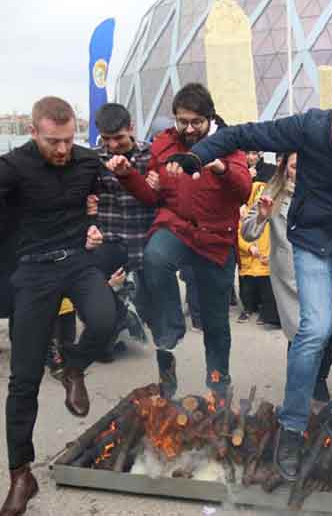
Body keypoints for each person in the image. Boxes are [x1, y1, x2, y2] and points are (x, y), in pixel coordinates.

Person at [186, 96, 332, 480]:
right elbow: (244, 133)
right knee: (313, 330)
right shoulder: (310, 127)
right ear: (329, 127)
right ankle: (292, 428)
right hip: (313, 243)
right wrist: (198, 156)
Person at [0, 96, 117, 516]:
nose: (63, 149)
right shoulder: (10, 168)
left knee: (106, 320)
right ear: (34, 132)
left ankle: (72, 367)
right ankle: (21, 475)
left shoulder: (87, 162)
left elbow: (116, 200)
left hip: (76, 262)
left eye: (69, 139)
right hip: (31, 273)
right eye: (54, 141)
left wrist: (99, 225)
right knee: (23, 380)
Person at [104, 83, 252, 399]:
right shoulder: (164, 144)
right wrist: (129, 174)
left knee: (214, 321)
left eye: (195, 122)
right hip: (177, 228)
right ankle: (169, 334)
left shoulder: (228, 144)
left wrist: (220, 167)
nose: (188, 128)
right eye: (181, 121)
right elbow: (151, 197)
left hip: (215, 239)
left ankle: (218, 383)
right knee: (155, 257)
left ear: (209, 118)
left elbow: (244, 191)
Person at [241, 152, 332, 403]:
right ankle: (299, 384)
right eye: (295, 167)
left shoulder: (327, 191)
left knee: (328, 329)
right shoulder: (271, 194)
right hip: (293, 278)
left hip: (327, 271)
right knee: (300, 334)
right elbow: (248, 233)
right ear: (285, 168)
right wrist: (263, 216)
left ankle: (320, 379)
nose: (301, 172)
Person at [92, 103, 157, 357]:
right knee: (105, 300)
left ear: (131, 128)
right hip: (110, 241)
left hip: (144, 240)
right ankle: (105, 343)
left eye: (118, 138)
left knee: (148, 304)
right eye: (107, 139)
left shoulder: (151, 156)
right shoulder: (94, 158)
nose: (113, 145)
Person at [236, 175, 280, 326]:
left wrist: (271, 256)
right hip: (248, 262)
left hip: (265, 262)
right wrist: (248, 247)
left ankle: (265, 313)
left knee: (266, 291)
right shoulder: (245, 214)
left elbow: (277, 239)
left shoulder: (273, 215)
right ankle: (247, 309)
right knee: (247, 291)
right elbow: (239, 235)